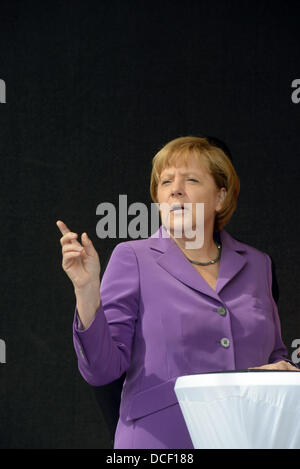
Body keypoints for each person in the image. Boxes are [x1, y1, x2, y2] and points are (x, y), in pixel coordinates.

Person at [57, 135, 299, 449]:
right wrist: (87, 290)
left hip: (248, 437)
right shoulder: (133, 257)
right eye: (166, 181)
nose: (176, 189)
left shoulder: (257, 264)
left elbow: (274, 355)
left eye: (192, 179)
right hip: (160, 441)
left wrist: (282, 371)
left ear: (220, 198)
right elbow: (102, 370)